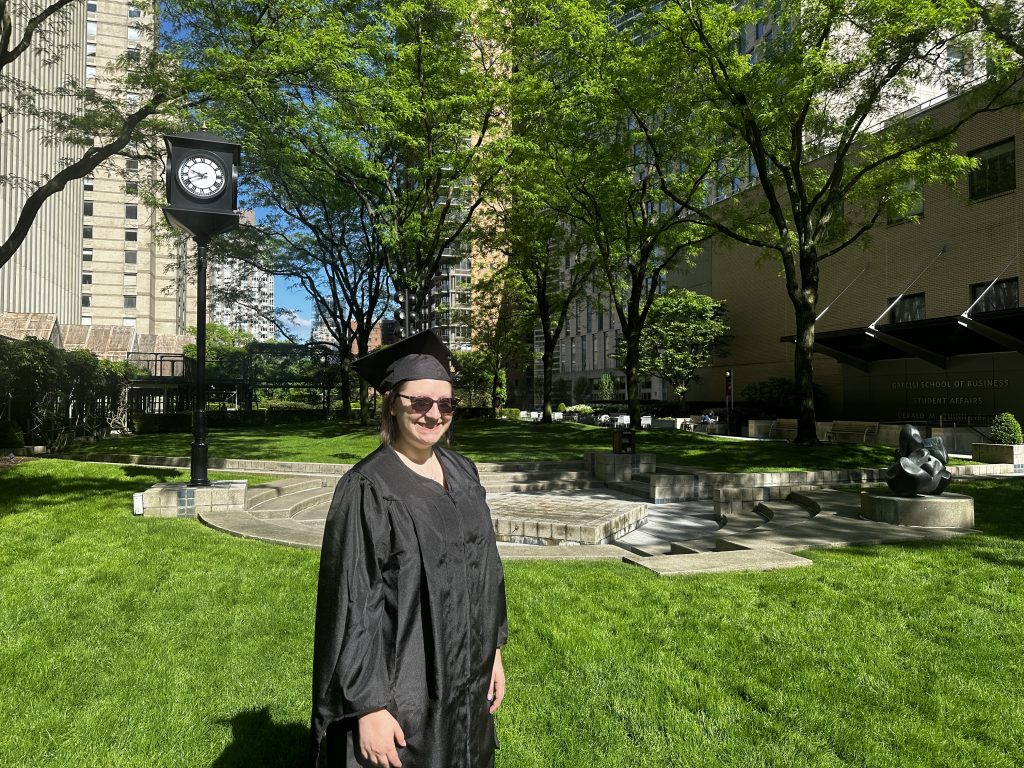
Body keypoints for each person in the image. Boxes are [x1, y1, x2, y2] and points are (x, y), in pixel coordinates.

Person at [310, 330, 508, 768]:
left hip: (468, 670)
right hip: (405, 685)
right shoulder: (368, 487)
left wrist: (492, 649)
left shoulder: (464, 473)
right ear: (393, 405)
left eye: (445, 404)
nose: (433, 414)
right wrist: (369, 706)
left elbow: (486, 569)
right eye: (419, 402)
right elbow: (354, 601)